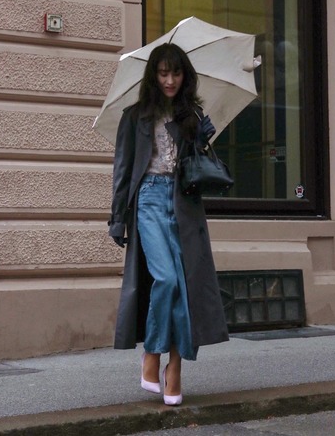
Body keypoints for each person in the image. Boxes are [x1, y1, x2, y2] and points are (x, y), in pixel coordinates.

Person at [108, 43, 229, 406]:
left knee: (183, 287)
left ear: (184, 75)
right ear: (153, 76)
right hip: (147, 198)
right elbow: (122, 170)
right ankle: (152, 355)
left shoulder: (190, 116)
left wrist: (200, 137)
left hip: (184, 203)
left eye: (175, 73)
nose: (170, 80)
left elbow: (195, 169)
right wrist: (117, 217)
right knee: (167, 278)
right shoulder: (135, 116)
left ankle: (174, 367)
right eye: (162, 73)